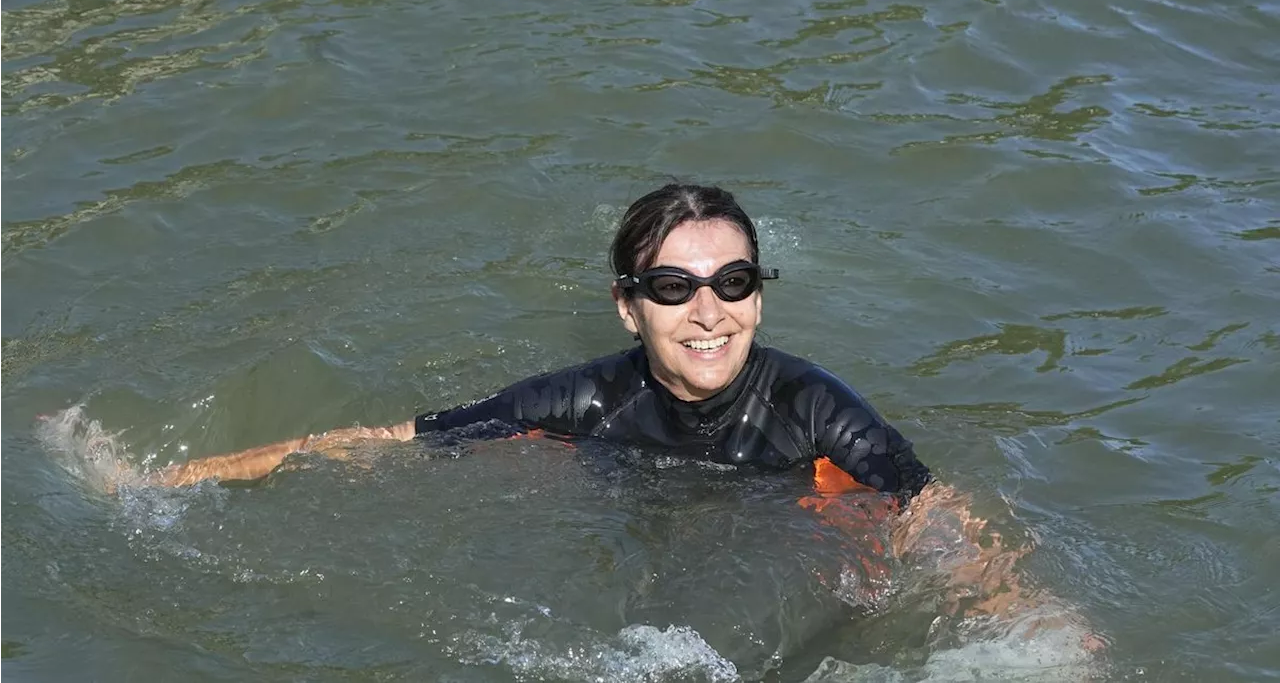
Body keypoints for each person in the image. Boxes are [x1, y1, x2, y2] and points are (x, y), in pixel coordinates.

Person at [153, 183, 1101, 647]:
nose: (707, 311)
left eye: (732, 281)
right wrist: (169, 483)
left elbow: (937, 512)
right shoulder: (587, 400)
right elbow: (389, 443)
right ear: (628, 304)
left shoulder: (813, 410)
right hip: (645, 534)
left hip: (793, 539)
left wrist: (1037, 633)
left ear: (759, 297)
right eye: (672, 286)